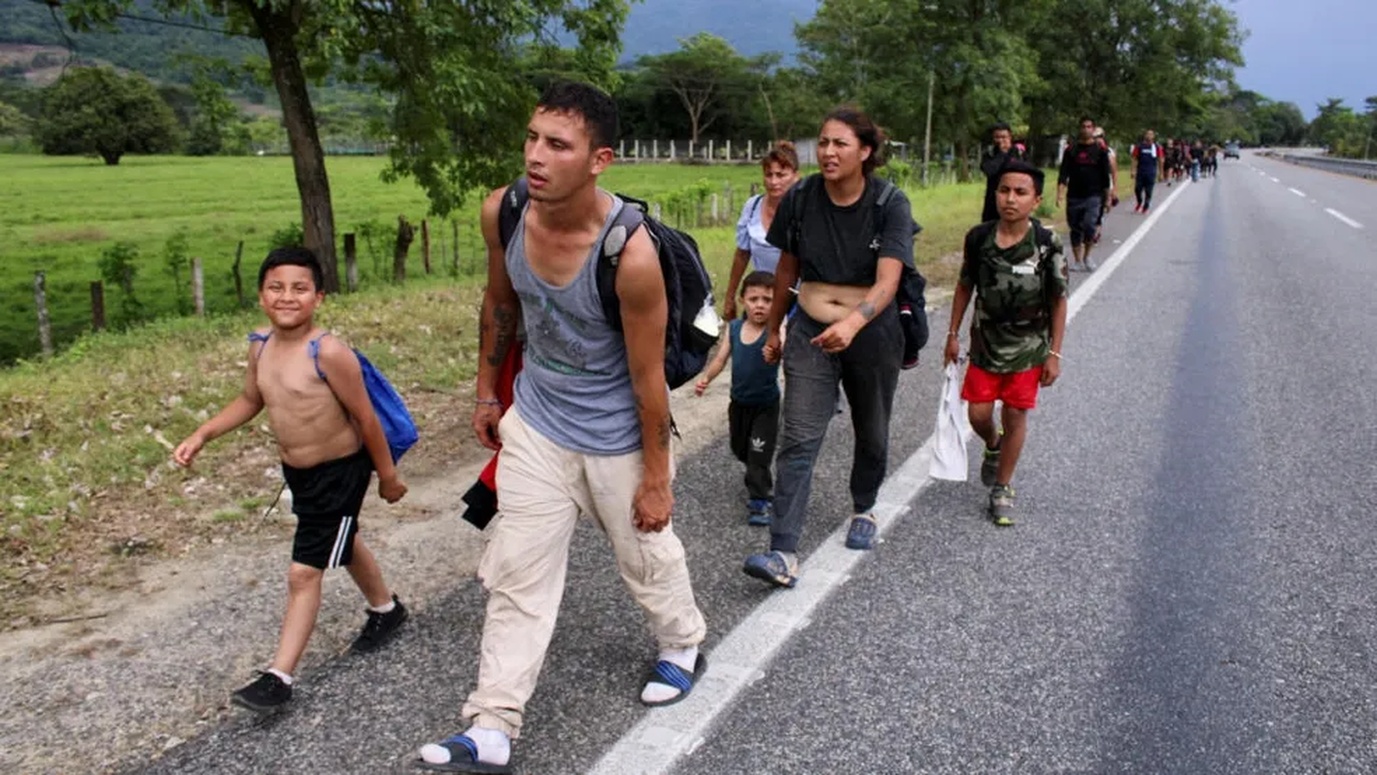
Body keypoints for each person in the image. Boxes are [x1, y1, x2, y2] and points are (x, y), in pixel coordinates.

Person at [416, 81, 707, 774]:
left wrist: (656, 480)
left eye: (557, 144)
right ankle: (492, 722)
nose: (535, 157)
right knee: (518, 573)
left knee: (645, 556)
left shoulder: (628, 255)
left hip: (615, 435)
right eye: (531, 138)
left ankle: (682, 641)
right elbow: (499, 303)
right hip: (538, 423)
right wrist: (488, 393)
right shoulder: (506, 211)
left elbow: (647, 383)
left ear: (599, 158)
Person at [172, 247, 409, 716]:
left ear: (318, 297)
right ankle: (386, 610)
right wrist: (204, 433)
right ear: (261, 296)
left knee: (305, 571)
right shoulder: (260, 345)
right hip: (298, 474)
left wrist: (387, 476)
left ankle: (278, 677)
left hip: (341, 472)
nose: (287, 297)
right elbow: (249, 399)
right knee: (342, 536)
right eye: (276, 287)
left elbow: (365, 417)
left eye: (300, 288)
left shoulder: (329, 351)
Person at [741, 106, 919, 589]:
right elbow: (785, 270)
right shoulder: (801, 198)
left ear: (865, 151)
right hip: (810, 332)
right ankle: (782, 549)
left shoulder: (889, 203)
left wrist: (856, 323)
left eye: (840, 143)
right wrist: (774, 328)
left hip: (872, 333)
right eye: (822, 142)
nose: (827, 152)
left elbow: (889, 279)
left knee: (872, 428)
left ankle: (864, 506)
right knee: (799, 434)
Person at [943, 159, 1068, 526]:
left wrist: (1054, 353)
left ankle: (1003, 486)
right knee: (978, 414)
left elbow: (1059, 299)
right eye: (1003, 190)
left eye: (1020, 192)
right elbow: (965, 285)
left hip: (1029, 347)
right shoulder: (978, 238)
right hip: (985, 343)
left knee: (1015, 414)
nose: (1010, 199)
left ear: (1036, 200)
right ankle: (992, 445)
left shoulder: (1046, 243)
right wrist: (952, 334)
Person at [694, 270, 781, 527]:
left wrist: (776, 352)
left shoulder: (776, 330)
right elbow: (720, 359)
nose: (760, 305)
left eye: (767, 300)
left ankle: (759, 501)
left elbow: (783, 348)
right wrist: (705, 379)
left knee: (758, 453)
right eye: (754, 299)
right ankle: (759, 477)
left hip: (766, 405)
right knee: (739, 448)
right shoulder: (733, 329)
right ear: (743, 300)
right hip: (739, 403)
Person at [722, 142, 801, 321]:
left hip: (798, 300)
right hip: (762, 297)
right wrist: (730, 297)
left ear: (795, 176)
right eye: (769, 175)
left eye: (781, 175)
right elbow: (742, 255)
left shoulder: (805, 209)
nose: (774, 182)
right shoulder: (752, 207)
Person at [1055, 116, 1111, 273]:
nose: (1086, 129)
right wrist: (1059, 193)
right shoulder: (1071, 150)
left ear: (1093, 129)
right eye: (1083, 126)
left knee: (1089, 225)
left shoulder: (1100, 151)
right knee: (1075, 228)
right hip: (1074, 195)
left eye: (1089, 126)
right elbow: (1063, 173)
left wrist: (1107, 198)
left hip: (1094, 195)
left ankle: (1087, 256)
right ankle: (1078, 260)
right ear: (1080, 129)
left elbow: (1105, 177)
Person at [980, 121, 1026, 223]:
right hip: (993, 201)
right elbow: (989, 171)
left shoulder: (1018, 152)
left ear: (1010, 137)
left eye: (1004, 137)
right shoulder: (989, 154)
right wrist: (1002, 154)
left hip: (1015, 199)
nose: (1001, 140)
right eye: (997, 137)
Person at [1130, 129, 1164, 213]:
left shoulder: (1156, 147)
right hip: (1141, 171)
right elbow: (1134, 159)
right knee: (1137, 189)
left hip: (1151, 172)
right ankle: (1139, 201)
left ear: (1153, 136)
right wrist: (1133, 170)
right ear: (1145, 136)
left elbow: (1160, 160)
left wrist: (1161, 173)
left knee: (1148, 190)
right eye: (1147, 134)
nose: (1149, 136)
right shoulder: (1139, 146)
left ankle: (1146, 205)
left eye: (1151, 134)